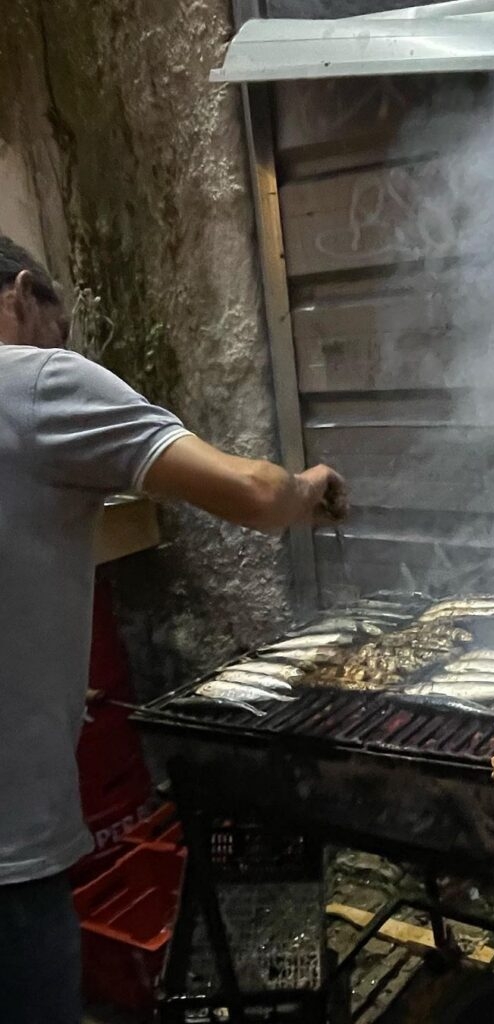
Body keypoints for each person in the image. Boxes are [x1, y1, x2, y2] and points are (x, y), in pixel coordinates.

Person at [0, 235, 347, 1023]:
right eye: (60, 330)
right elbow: (253, 494)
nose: (63, 349)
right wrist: (308, 486)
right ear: (24, 294)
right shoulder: (34, 381)